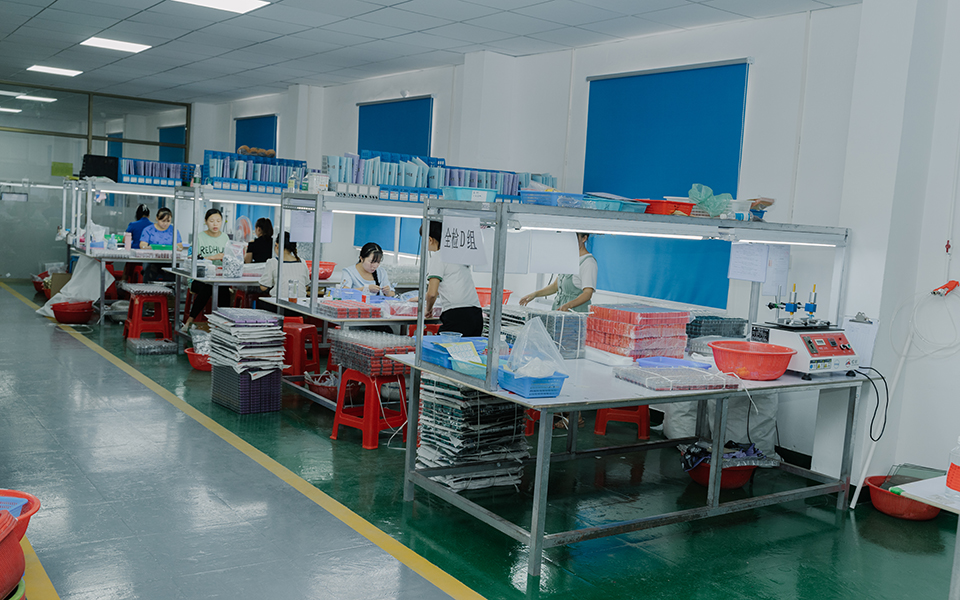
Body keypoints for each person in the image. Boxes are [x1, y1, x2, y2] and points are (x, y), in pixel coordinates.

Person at [423, 220, 483, 337]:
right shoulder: (457, 254)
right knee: (469, 352)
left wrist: (428, 308)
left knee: (445, 351)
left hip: (457, 316)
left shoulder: (438, 256)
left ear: (430, 239)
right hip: (475, 314)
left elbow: (432, 294)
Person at [519, 232, 597, 312]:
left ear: (584, 238)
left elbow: (587, 293)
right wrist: (534, 294)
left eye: (574, 238)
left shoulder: (588, 263)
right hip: (559, 311)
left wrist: (568, 305)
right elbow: (556, 286)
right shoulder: (569, 259)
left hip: (575, 314)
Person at [181, 208, 230, 332]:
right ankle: (189, 321)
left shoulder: (225, 238)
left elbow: (230, 258)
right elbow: (190, 258)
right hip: (199, 278)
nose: (215, 224)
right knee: (208, 287)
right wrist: (211, 257)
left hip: (219, 278)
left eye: (218, 221)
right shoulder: (199, 237)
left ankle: (223, 326)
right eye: (212, 221)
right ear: (205, 222)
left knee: (224, 290)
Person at [259, 232, 309, 299]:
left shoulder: (273, 262)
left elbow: (263, 287)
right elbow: (306, 286)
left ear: (277, 245)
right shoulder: (302, 262)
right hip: (300, 305)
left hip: (279, 304)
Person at [139, 207, 182, 283]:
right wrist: (147, 247)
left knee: (172, 274)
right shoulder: (148, 230)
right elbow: (142, 244)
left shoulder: (174, 230)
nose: (165, 223)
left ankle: (170, 293)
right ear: (157, 218)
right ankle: (149, 291)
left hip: (169, 261)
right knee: (150, 273)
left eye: (168, 221)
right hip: (152, 261)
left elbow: (180, 246)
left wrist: (178, 248)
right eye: (163, 221)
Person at [124, 204, 151, 281]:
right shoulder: (153, 226)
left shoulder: (133, 224)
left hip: (134, 257)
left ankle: (124, 282)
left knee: (128, 266)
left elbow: (125, 239)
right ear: (149, 215)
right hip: (148, 257)